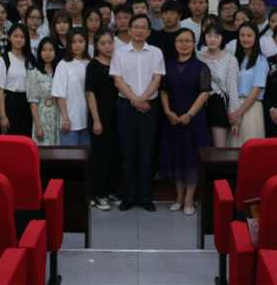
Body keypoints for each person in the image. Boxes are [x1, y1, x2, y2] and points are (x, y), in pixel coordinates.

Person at [111, 14, 165, 212]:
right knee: (127, 153)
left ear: (149, 32)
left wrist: (143, 99)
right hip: (126, 108)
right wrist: (136, 100)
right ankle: (127, 196)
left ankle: (144, 197)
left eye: (143, 27)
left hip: (149, 108)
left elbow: (157, 80)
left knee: (146, 154)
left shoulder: (156, 53)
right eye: (136, 27)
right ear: (129, 30)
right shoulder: (119, 53)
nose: (139, 30)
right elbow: (118, 81)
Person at [159, 27, 211, 217]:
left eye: (188, 41)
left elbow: (204, 93)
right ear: (175, 44)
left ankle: (189, 198)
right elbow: (163, 90)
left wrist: (189, 114)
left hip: (194, 120)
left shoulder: (201, 66)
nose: (184, 44)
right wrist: (167, 111)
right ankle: (179, 197)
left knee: (191, 158)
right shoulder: (168, 65)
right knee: (176, 157)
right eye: (180, 40)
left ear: (194, 44)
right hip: (173, 119)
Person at [86, 29, 121, 211]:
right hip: (100, 114)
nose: (107, 46)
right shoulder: (93, 65)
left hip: (116, 114)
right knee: (101, 156)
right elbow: (90, 93)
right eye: (103, 43)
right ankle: (99, 194)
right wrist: (96, 120)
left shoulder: (116, 62)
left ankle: (110, 191)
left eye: (110, 42)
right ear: (96, 46)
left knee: (114, 154)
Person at [196, 22, 240, 148]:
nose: (212, 39)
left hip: (218, 103)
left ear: (222, 38)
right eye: (209, 36)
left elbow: (232, 89)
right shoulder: (198, 57)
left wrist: (235, 118)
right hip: (199, 103)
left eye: (216, 36)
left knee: (219, 147)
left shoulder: (230, 60)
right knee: (200, 146)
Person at [229, 23, 268, 146]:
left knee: (250, 146)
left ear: (256, 37)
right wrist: (232, 112)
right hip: (235, 106)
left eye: (249, 35)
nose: (245, 38)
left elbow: (256, 91)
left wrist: (239, 113)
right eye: (242, 35)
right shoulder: (235, 59)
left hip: (251, 108)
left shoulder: (260, 60)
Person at [52, 27, 91, 146]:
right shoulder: (63, 65)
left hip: (88, 121)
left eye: (81, 41)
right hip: (70, 122)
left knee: (86, 155)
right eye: (73, 42)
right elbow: (60, 95)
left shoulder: (90, 63)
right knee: (70, 155)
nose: (77, 45)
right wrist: (65, 119)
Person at [0, 23, 34, 137]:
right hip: (11, 102)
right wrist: (2, 115)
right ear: (9, 37)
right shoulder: (4, 60)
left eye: (22, 37)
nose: (18, 40)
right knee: (12, 139)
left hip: (28, 102)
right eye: (15, 36)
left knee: (26, 139)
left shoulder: (30, 60)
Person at [28, 37, 62, 146]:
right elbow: (33, 102)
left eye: (51, 50)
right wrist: (38, 126)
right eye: (44, 50)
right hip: (42, 116)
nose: (47, 53)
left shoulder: (60, 72)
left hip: (57, 116)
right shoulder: (34, 73)